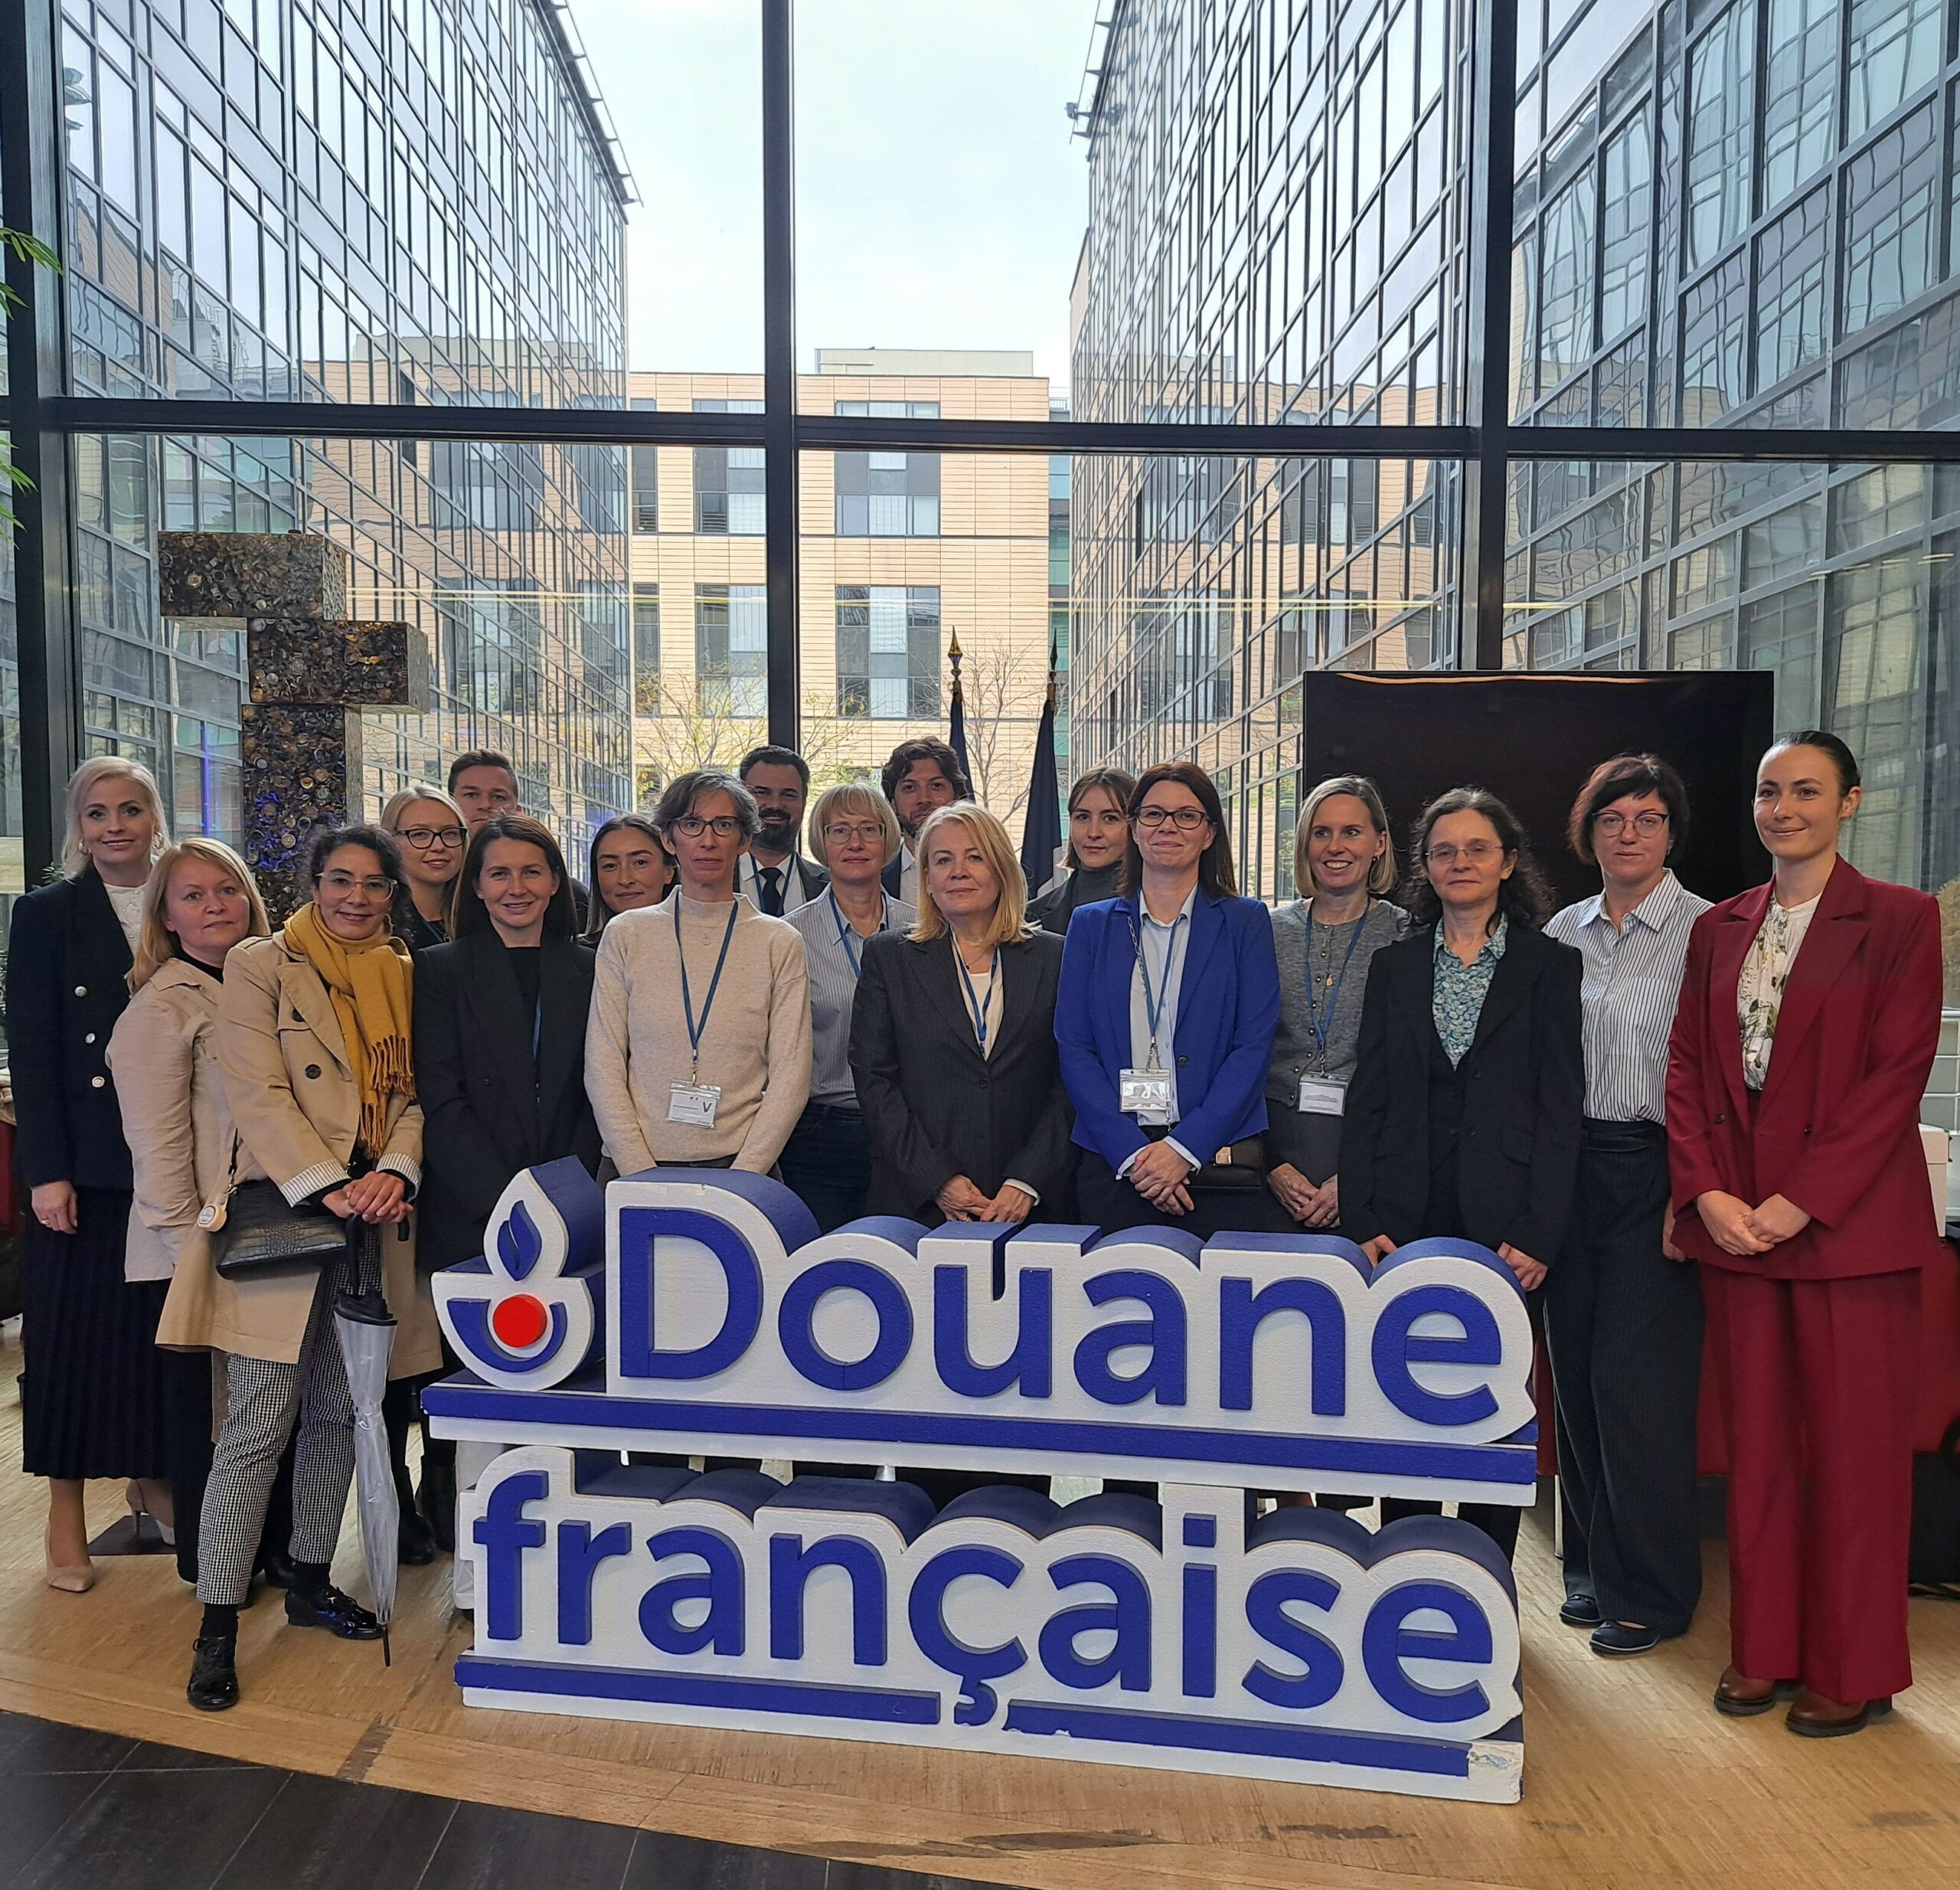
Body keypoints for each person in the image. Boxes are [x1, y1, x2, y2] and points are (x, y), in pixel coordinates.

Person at [1668, 732, 1944, 1737]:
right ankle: (1765, 1651)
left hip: (1847, 1232)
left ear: (1850, 802)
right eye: (1768, 790)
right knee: (1758, 1456)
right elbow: (1687, 1067)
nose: (1783, 808)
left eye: (1806, 791)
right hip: (1737, 1228)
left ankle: (1852, 1665)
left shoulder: (1902, 919)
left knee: (1856, 1458)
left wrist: (1801, 1201)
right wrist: (1705, 1192)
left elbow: (1896, 1076)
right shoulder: (1720, 926)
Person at [185, 824, 444, 1711]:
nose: (356, 898)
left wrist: (394, 1171)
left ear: (392, 894)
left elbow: (412, 1094)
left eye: (374, 883)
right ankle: (216, 1627)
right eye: (340, 879)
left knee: (340, 1411)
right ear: (312, 883)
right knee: (257, 1423)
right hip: (289, 1214)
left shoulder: (403, 969)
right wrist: (329, 1183)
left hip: (373, 1218)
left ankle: (308, 1578)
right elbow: (256, 1089)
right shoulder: (262, 963)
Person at [1339, 786, 1583, 1558]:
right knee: (1404, 1397)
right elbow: (1368, 1097)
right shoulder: (1396, 965)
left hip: (1507, 1223)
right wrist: (1361, 1218)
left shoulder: (1551, 965)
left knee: (1492, 1405)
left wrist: (1540, 1231)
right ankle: (1404, 1563)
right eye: (1443, 851)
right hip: (1402, 1217)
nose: (1460, 862)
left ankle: (1485, 1574)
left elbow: (1561, 1107)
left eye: (1478, 848)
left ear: (1507, 862)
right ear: (1425, 865)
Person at [1540, 755, 1712, 1658]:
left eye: (1648, 818)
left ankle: (1652, 1589)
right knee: (1573, 1380)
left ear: (1671, 832)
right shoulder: (1560, 930)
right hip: (1569, 1170)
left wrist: (1695, 1190)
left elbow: (1718, 1075)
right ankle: (1590, 1569)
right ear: (1589, 830)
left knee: (1636, 1387)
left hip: (1660, 1171)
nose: (1629, 833)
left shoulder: (1708, 929)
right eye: (1612, 817)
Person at [5, 757, 175, 1593]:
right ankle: (64, 1510)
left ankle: (152, 1475)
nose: (115, 826)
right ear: (78, 825)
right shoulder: (45, 914)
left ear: (154, 817)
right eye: (98, 812)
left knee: (155, 1339)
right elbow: (33, 1054)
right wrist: (46, 1174)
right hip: (84, 1164)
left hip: (167, 1160)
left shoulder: (182, 898)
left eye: (130, 809)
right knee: (68, 1341)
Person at [414, 815, 602, 1545]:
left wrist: (558, 1199)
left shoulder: (590, 966)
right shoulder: (438, 970)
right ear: (477, 886)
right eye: (499, 873)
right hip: (474, 1211)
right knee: (478, 1388)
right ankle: (470, 1542)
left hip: (569, 1210)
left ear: (556, 883)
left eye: (531, 871)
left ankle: (565, 1537)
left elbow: (596, 1092)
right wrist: (510, 1206)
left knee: (564, 1384)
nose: (516, 887)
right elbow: (441, 1098)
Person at [112, 841, 286, 1592]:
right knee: (210, 1419)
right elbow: (156, 1151)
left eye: (228, 889)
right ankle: (214, 1570)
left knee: (265, 1413)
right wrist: (194, 1251)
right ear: (167, 917)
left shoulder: (266, 985)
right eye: (193, 895)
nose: (215, 905)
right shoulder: (161, 1007)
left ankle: (272, 1551)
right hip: (194, 1247)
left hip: (267, 1235)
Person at [1055, 763, 1279, 1240]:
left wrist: (1183, 1149)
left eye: (1186, 816)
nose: (1168, 827)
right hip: (1115, 1162)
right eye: (1153, 814)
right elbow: (1074, 1047)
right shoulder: (1091, 925)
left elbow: (1253, 1046)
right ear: (1135, 828)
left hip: (1215, 1159)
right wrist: (1133, 1156)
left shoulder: (1246, 922)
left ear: (1209, 833)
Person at [586, 770, 811, 1176]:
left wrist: (744, 1177)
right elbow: (602, 1064)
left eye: (724, 825)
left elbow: (791, 1075)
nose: (708, 840)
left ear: (744, 840)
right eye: (692, 824)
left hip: (743, 1168)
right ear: (669, 839)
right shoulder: (627, 934)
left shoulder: (779, 941)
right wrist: (638, 1172)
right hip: (632, 1165)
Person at [1263, 776, 1408, 1234]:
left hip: (1369, 1149)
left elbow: (1412, 1071)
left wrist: (1359, 1178)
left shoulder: (1407, 936)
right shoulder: (1266, 931)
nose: (1335, 846)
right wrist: (1269, 1164)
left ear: (1379, 843)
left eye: (1352, 832)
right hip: (1273, 1149)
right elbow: (1239, 1049)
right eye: (1321, 832)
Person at [782, 784, 916, 1230]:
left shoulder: (924, 930)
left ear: (888, 839)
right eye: (839, 830)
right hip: (823, 1135)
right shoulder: (788, 937)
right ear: (820, 842)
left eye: (868, 830)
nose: (855, 842)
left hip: (909, 1130)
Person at [447, 749, 588, 924]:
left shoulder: (571, 897)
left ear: (518, 811)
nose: (485, 804)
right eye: (472, 795)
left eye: (498, 797)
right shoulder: (437, 887)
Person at [1027, 767, 1136, 934]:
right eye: (1083, 817)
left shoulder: (1155, 908)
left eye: (1110, 818)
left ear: (1135, 826)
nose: (1094, 832)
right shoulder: (1031, 918)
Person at [737, 745, 829, 915]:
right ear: (742, 800)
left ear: (804, 802)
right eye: (762, 793)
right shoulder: (708, 879)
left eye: (788, 795)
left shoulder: (831, 885)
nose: (775, 805)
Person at [879, 736, 971, 905]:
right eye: (910, 788)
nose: (924, 799)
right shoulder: (875, 878)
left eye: (936, 786)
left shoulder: (990, 872)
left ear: (957, 797)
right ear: (893, 804)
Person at [381, 785, 469, 951]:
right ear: (391, 840)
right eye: (420, 834)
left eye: (450, 833)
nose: (439, 846)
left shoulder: (482, 917)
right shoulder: (380, 926)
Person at [584, 815, 674, 937]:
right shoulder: (577, 949)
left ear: (668, 871)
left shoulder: (694, 942)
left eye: (640, 863)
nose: (625, 880)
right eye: (610, 866)